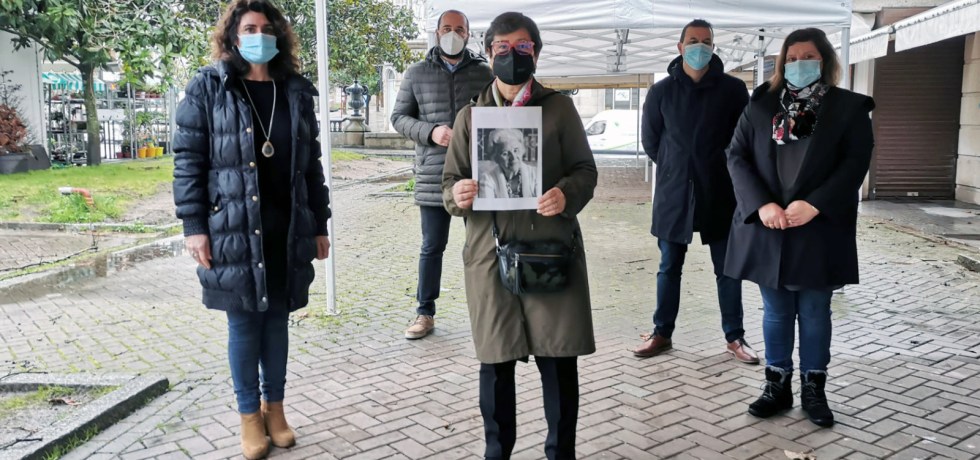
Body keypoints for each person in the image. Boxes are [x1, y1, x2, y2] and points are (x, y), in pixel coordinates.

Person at [172, 1, 331, 458]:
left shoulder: (295, 91)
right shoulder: (209, 87)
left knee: (277, 322)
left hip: (286, 226)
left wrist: (319, 223)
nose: (259, 34)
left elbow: (312, 166)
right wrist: (195, 225)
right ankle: (248, 418)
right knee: (244, 324)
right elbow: (188, 161)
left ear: (278, 36)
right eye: (249, 28)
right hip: (233, 227)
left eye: (267, 28)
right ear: (233, 36)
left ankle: (275, 409)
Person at [443, 12, 598, 460]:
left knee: (558, 360)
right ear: (489, 52)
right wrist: (458, 192)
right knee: (495, 363)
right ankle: (498, 452)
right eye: (504, 48)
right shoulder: (471, 117)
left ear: (537, 52)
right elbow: (448, 183)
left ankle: (560, 452)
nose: (514, 55)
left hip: (550, 249)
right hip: (490, 256)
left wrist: (564, 194)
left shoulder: (559, 109)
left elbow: (585, 171)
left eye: (524, 47)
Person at [724, 28, 875, 428]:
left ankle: (814, 387)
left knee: (814, 310)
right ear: (781, 63)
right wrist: (762, 205)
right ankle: (777, 384)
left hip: (818, 226)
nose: (798, 63)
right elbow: (736, 156)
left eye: (807, 56)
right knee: (775, 311)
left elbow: (855, 163)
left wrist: (815, 204)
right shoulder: (760, 105)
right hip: (768, 225)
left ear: (824, 60)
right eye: (790, 57)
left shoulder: (849, 108)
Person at [631, 19, 758, 364]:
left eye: (705, 41)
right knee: (669, 266)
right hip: (674, 192)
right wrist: (677, 166)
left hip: (720, 192)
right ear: (680, 46)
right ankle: (662, 333)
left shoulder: (733, 90)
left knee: (727, 268)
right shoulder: (661, 91)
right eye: (692, 40)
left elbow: (741, 141)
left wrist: (714, 166)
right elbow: (651, 142)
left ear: (713, 47)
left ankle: (735, 337)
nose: (699, 46)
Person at [391, 9, 494, 340]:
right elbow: (399, 117)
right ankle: (425, 312)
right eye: (446, 28)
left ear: (468, 33)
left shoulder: (484, 73)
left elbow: (499, 115)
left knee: (480, 246)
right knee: (432, 246)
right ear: (436, 33)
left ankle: (489, 310)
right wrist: (430, 132)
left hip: (475, 176)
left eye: (459, 29)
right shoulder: (416, 73)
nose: (452, 33)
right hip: (433, 175)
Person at [478, 129, 538, 198]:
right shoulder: (487, 179)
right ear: (496, 158)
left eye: (516, 150)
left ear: (522, 150)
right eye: (505, 154)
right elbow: (487, 207)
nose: (513, 157)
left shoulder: (536, 173)